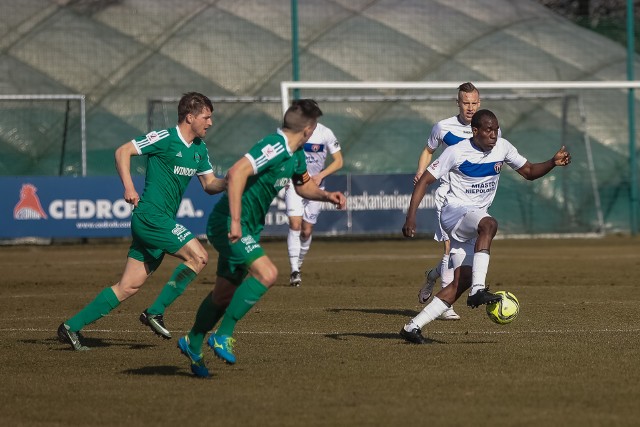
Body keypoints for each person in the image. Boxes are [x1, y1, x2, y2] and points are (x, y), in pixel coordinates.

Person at [176, 99, 347, 377]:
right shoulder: (275, 145)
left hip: (248, 227)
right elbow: (236, 172)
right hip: (229, 224)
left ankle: (192, 341)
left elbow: (303, 187)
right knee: (267, 273)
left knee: (222, 294)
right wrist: (234, 220)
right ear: (309, 128)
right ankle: (223, 334)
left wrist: (327, 196)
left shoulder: (296, 154)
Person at [57, 92, 226, 351]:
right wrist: (128, 187)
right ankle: (155, 312)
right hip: (150, 217)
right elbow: (123, 151)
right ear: (190, 117)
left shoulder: (199, 149)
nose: (210, 123)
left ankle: (70, 327)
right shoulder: (165, 138)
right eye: (206, 117)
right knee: (199, 257)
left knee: (128, 286)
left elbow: (210, 184)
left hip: (161, 220)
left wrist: (232, 180)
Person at [400, 109, 571, 344]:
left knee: (461, 281)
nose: (493, 134)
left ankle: (412, 327)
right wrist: (411, 217)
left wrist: (552, 162)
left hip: (473, 222)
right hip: (454, 214)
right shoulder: (456, 151)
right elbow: (424, 181)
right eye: (488, 130)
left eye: (496, 129)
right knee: (489, 224)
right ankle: (478, 290)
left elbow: (529, 172)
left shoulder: (502, 147)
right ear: (475, 130)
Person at [413, 82, 493, 321]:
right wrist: (421, 171)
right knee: (450, 247)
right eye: (465, 103)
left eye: (474, 103)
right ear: (457, 103)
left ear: (479, 103)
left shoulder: (487, 129)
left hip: (475, 199)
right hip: (448, 197)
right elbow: (428, 150)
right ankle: (445, 304)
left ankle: (432, 275)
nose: (470, 108)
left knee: (460, 252)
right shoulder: (443, 127)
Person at [285, 122, 343, 286]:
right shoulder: (293, 130)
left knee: (306, 231)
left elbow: (339, 161)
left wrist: (320, 175)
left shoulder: (326, 132)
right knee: (294, 224)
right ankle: (294, 270)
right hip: (294, 183)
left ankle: (299, 263)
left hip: (316, 186)